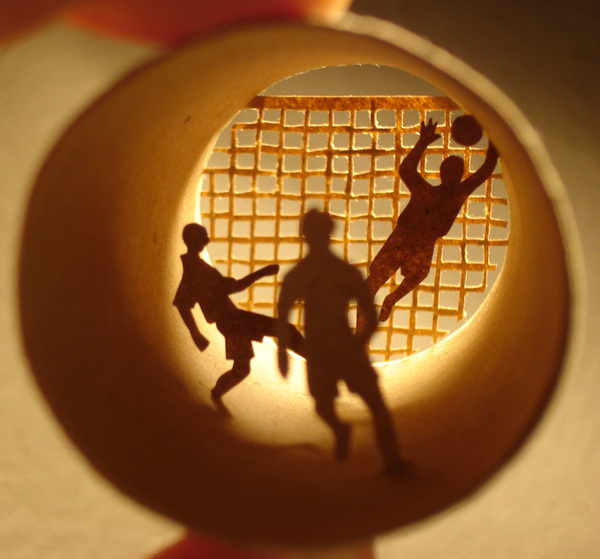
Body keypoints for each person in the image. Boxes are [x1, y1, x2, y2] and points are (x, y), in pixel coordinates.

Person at [277, 209, 404, 474]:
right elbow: (283, 314)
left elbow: (369, 314)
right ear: (306, 235)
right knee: (323, 406)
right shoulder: (301, 275)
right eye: (313, 231)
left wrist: (358, 343)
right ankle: (341, 430)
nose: (317, 237)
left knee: (376, 404)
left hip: (344, 347)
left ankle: (393, 459)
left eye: (320, 231)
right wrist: (281, 352)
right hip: (320, 351)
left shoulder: (343, 272)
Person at [363, 118, 499, 324]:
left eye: (456, 171)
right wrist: (422, 142)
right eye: (448, 169)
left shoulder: (459, 194)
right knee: (374, 281)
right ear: (441, 172)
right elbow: (406, 170)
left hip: (425, 242)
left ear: (460, 175)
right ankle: (362, 318)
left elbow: (484, 172)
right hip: (403, 236)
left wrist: (495, 142)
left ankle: (391, 300)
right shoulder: (424, 191)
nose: (452, 174)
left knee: (417, 274)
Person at [174, 223, 305, 399]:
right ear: (194, 240)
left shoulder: (196, 267)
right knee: (286, 331)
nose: (208, 240)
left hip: (232, 322)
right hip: (234, 322)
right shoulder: (196, 270)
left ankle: (215, 395)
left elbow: (183, 304)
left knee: (242, 369)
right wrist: (262, 273)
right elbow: (233, 287)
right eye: (203, 237)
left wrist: (195, 333)